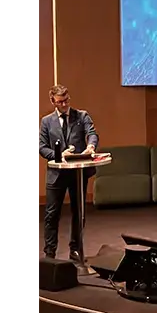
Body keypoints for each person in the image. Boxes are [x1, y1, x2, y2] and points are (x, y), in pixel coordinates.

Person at [38, 85, 99, 262]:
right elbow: (42, 147)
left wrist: (91, 146)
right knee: (51, 214)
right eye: (60, 102)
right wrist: (59, 155)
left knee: (78, 212)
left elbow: (92, 134)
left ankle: (76, 249)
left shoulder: (82, 116)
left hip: (77, 174)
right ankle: (50, 253)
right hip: (56, 174)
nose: (64, 104)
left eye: (66, 100)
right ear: (53, 102)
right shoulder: (46, 121)